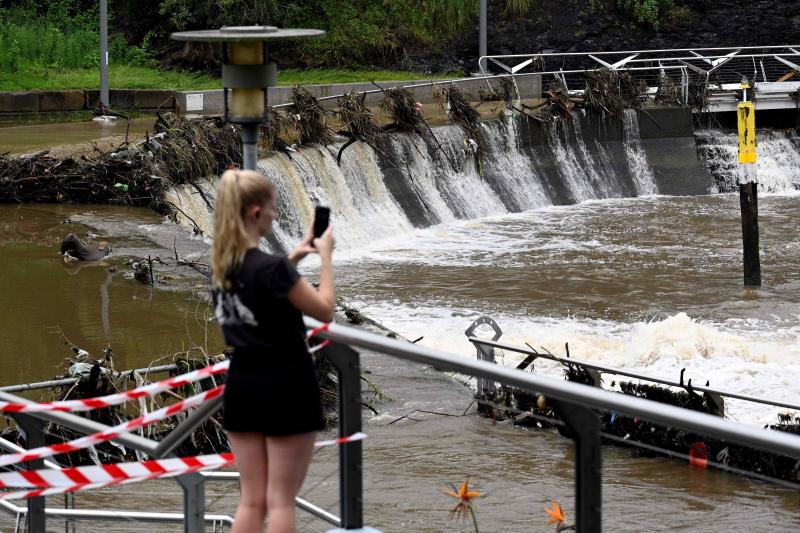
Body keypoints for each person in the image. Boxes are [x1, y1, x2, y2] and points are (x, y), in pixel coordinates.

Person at [210, 169, 335, 533]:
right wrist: (325, 256)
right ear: (254, 214)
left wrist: (294, 256)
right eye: (272, 209)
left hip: (243, 385)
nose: (275, 215)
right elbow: (324, 309)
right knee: (281, 501)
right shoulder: (273, 269)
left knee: (252, 500)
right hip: (286, 383)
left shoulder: (222, 268)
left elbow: (261, 289)